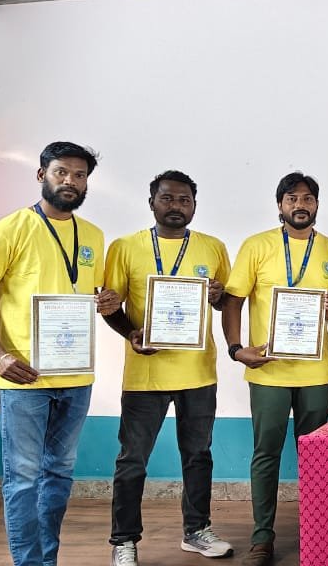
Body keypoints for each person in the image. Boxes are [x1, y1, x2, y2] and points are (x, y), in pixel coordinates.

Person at [0, 141, 121, 566]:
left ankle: (47, 559)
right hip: (24, 378)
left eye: (79, 175)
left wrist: (107, 301)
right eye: (61, 172)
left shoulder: (93, 235)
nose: (70, 181)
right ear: (41, 175)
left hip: (76, 377)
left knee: (59, 475)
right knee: (22, 479)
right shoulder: (7, 229)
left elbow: (91, 294)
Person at [102, 170, 233, 565]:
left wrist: (218, 295)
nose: (176, 206)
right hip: (145, 375)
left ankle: (197, 531)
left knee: (198, 456)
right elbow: (111, 306)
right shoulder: (125, 247)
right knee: (132, 460)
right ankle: (124, 541)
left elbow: (225, 302)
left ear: (194, 206)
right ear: (152, 203)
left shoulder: (213, 247)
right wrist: (131, 333)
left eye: (184, 200)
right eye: (168, 198)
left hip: (198, 372)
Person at [221, 172, 328, 566]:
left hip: (315, 372)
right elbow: (233, 301)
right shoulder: (256, 246)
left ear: (317, 205)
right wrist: (236, 349)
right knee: (266, 453)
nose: (300, 205)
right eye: (292, 198)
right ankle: (262, 538)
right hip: (269, 369)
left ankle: (319, 534)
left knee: (315, 457)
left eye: (307, 198)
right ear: (280, 205)